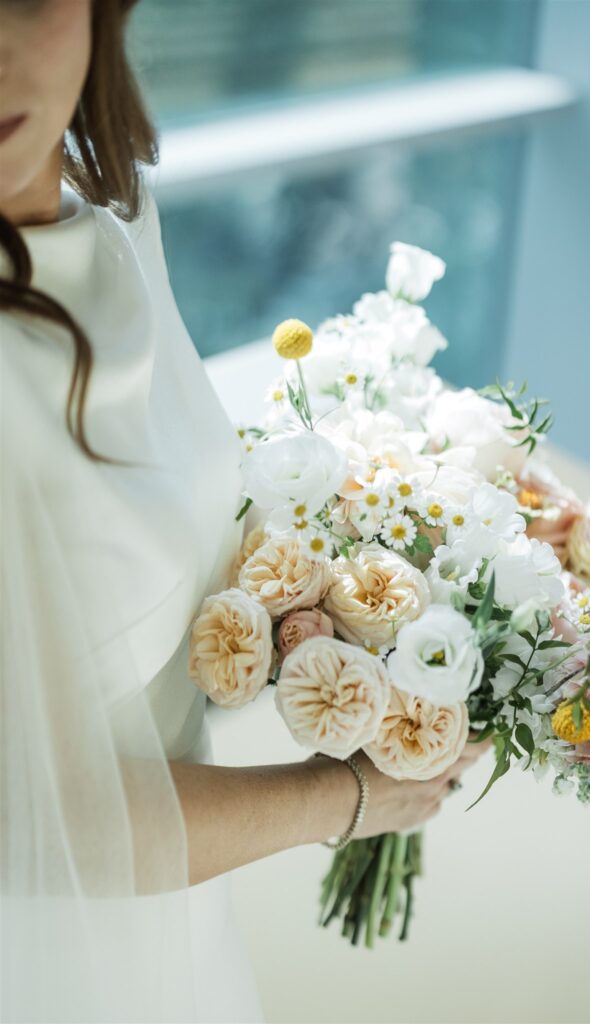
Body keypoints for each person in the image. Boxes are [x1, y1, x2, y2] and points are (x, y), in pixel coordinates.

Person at [0, 2, 491, 1021]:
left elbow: (175, 516)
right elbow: (48, 820)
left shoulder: (113, 216)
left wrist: (382, 611)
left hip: (164, 918)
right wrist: (353, 795)